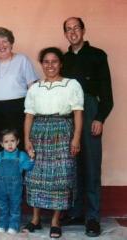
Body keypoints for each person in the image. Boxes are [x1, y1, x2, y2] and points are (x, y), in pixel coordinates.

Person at [61, 17, 114, 237]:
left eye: (76, 28)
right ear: (65, 34)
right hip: (67, 115)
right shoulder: (62, 59)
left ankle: (92, 217)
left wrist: (100, 118)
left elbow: (107, 94)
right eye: (68, 29)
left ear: (83, 30)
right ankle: (75, 212)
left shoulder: (98, 55)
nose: (72, 32)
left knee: (91, 166)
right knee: (71, 164)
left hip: (90, 110)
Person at [24, 47, 84, 238]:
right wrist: (26, 139)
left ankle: (55, 221)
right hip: (39, 131)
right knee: (36, 176)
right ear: (41, 64)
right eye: (46, 62)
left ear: (61, 63)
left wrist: (76, 138)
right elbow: (29, 116)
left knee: (61, 175)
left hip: (62, 131)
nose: (50, 65)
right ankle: (35, 219)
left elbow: (78, 113)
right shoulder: (35, 87)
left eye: (54, 61)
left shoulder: (71, 85)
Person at [0, 26, 39, 227]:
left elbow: (32, 89)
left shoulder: (22, 60)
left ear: (11, 42)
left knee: (17, 161)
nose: (1, 45)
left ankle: (17, 211)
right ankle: (2, 212)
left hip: (16, 112)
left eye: (4, 41)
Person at [0, 129, 34, 234]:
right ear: (1, 144)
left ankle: (13, 226)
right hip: (1, 187)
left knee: (15, 206)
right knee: (2, 206)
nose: (10, 144)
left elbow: (27, 167)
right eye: (6, 142)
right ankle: (2, 225)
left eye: (12, 141)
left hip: (16, 187)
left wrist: (31, 159)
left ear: (18, 141)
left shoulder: (21, 155)